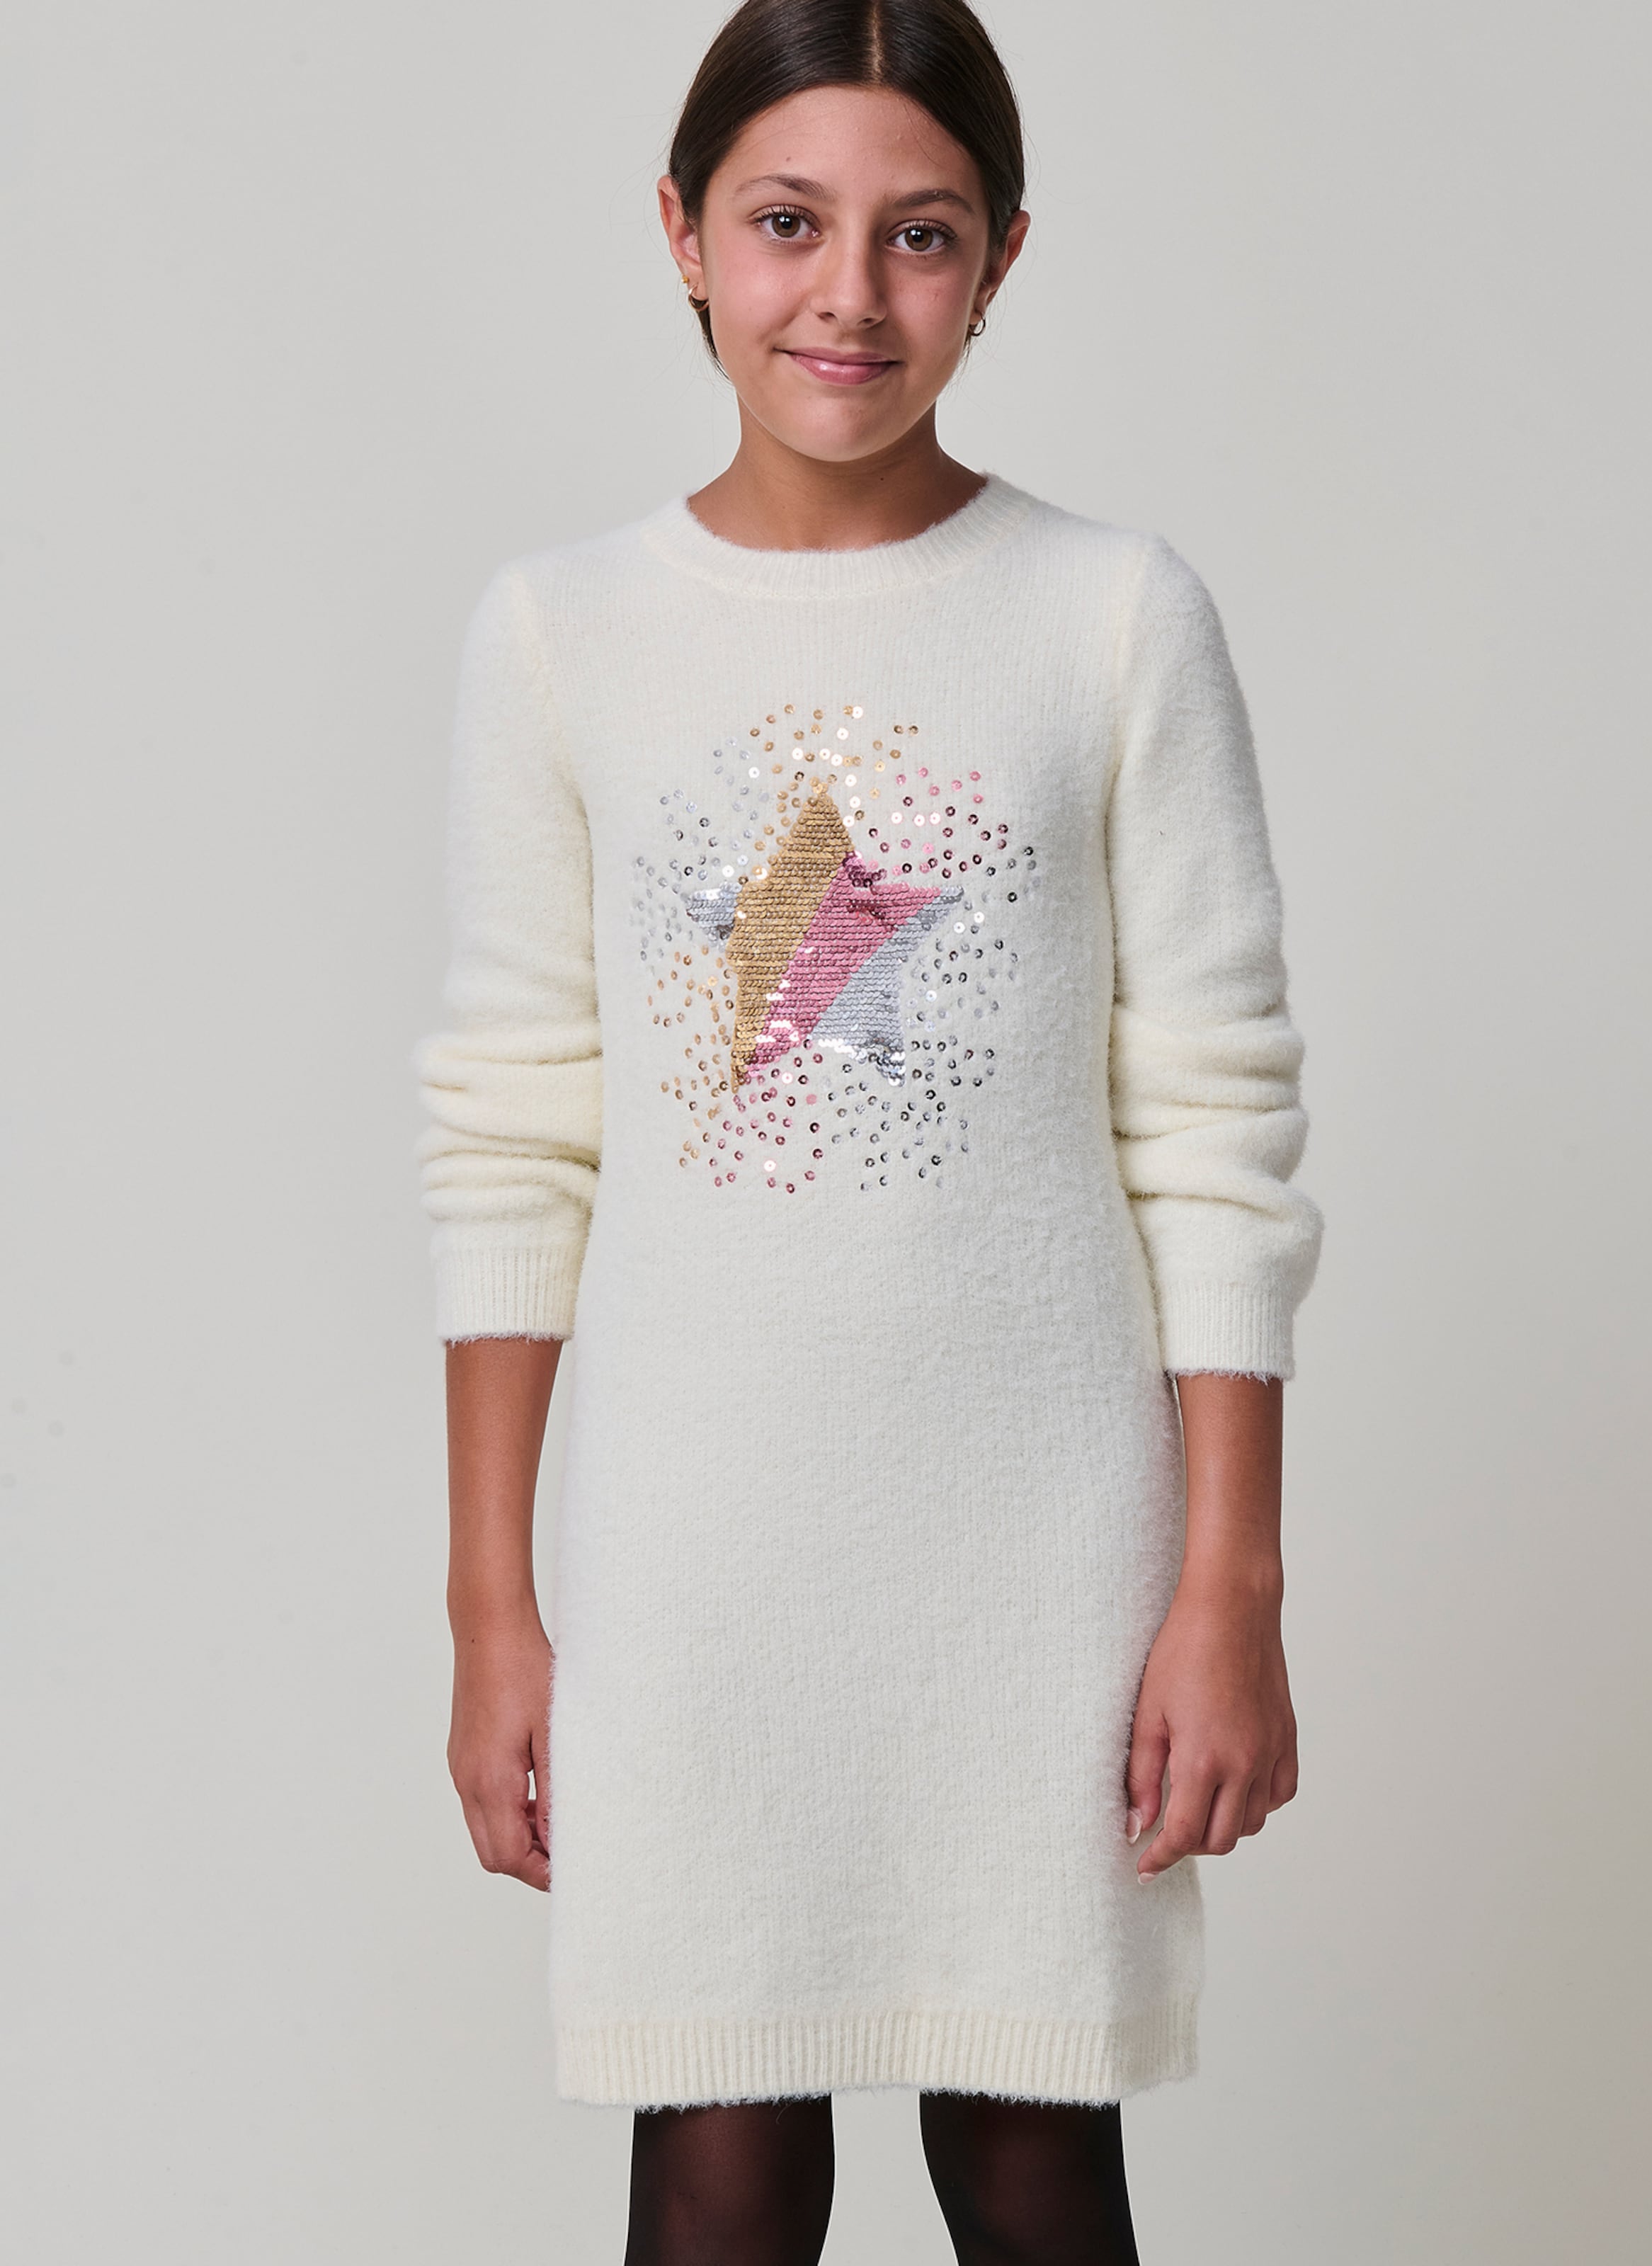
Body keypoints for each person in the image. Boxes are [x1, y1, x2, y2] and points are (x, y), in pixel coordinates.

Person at [415, 2, 1324, 2258]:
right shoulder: (561, 636)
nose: (848, 293)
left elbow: (1213, 1123)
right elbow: (515, 1140)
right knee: (714, 2165)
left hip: (1046, 1546)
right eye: (787, 223)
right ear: (682, 233)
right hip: (694, 1556)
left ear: (1002, 254)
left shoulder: (1113, 619)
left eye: (919, 234)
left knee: (1036, 2158)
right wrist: (492, 1610)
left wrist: (1230, 1585)